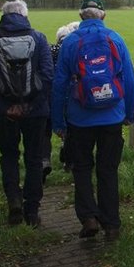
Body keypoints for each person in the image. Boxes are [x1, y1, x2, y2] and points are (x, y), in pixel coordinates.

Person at [52, 0, 134, 241]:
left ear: (80, 17)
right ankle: (111, 225)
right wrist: (128, 114)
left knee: (82, 168)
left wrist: (58, 122)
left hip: (80, 119)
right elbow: (129, 80)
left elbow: (59, 85)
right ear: (103, 16)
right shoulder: (115, 39)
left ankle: (89, 217)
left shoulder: (71, 42)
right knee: (108, 170)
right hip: (112, 116)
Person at [0, 0, 53, 227]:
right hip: (36, 111)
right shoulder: (39, 39)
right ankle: (32, 211)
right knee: (34, 159)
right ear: (24, 14)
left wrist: (3, 108)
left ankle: (14, 202)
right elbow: (48, 76)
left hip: (5, 113)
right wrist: (31, 106)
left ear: (4, 15)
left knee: (9, 156)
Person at [44, 21, 80, 174]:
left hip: (53, 94)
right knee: (72, 126)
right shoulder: (76, 49)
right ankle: (70, 160)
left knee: (48, 128)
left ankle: (44, 159)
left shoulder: (51, 49)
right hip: (74, 95)